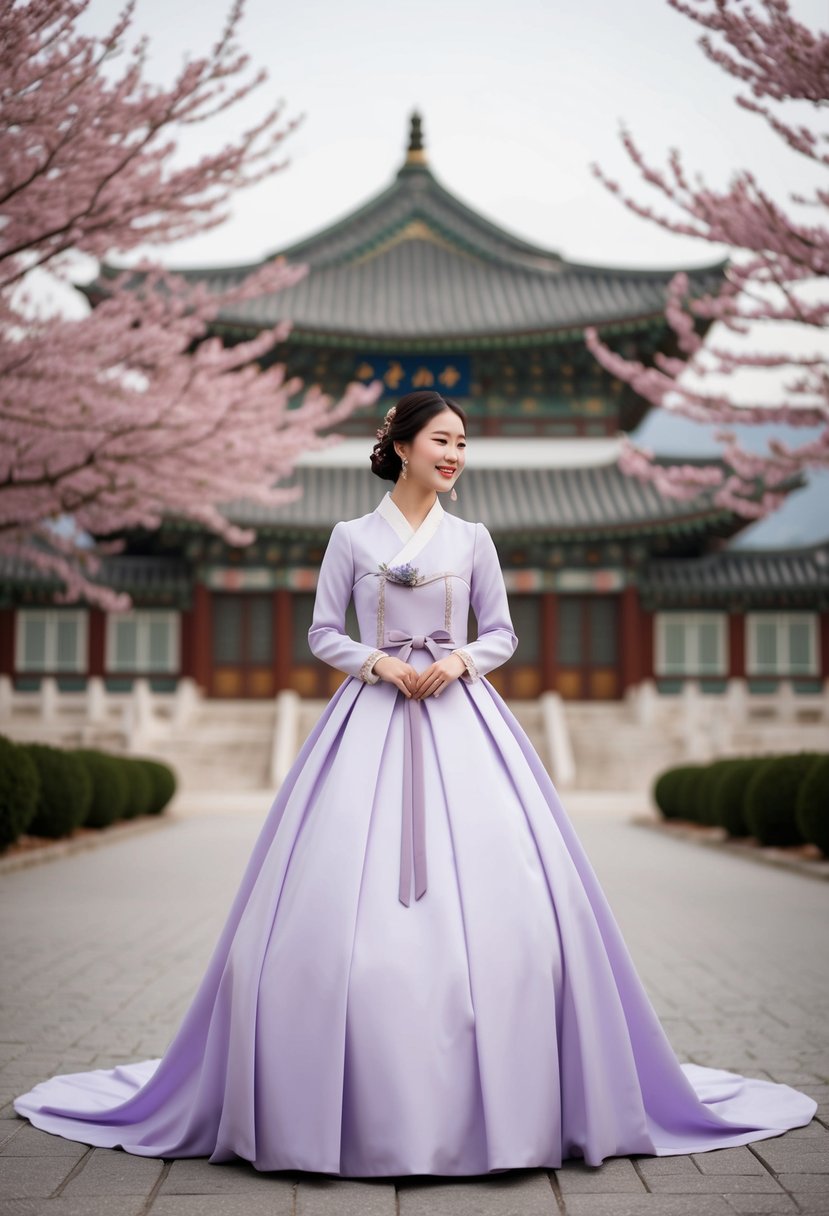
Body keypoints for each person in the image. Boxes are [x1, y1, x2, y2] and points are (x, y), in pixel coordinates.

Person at [13, 390, 816, 1176]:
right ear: (400, 446)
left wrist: (460, 660)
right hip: (370, 715)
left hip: (463, 719)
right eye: (442, 441)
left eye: (463, 444)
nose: (455, 456)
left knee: (520, 903)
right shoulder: (349, 537)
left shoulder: (473, 540)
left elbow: (500, 631)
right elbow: (323, 630)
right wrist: (379, 662)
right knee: (322, 912)